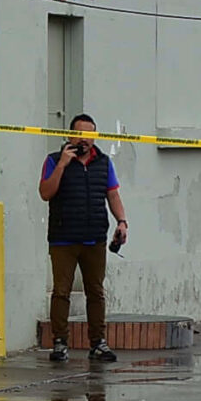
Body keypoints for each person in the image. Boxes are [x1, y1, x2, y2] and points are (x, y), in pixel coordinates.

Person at [37, 113, 129, 364]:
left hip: (94, 238)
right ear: (69, 135)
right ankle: (59, 343)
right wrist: (62, 165)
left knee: (96, 292)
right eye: (80, 134)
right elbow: (46, 193)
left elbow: (113, 195)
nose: (84, 140)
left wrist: (121, 221)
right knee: (61, 292)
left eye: (90, 135)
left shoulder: (104, 163)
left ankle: (98, 343)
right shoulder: (54, 160)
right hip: (63, 238)